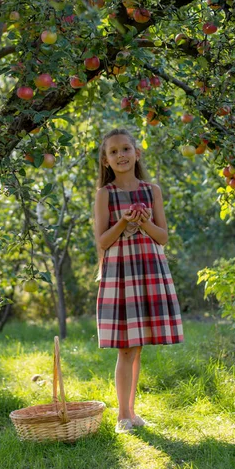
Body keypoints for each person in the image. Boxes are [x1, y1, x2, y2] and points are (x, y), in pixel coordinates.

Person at [94, 128, 184, 434]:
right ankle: (123, 416)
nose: (121, 156)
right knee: (126, 348)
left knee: (138, 346)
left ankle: (132, 413)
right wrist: (123, 221)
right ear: (106, 161)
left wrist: (144, 221)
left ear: (137, 153)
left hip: (148, 270)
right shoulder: (105, 195)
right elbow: (103, 241)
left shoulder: (152, 191)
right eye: (113, 152)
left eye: (125, 149)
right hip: (120, 273)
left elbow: (163, 237)